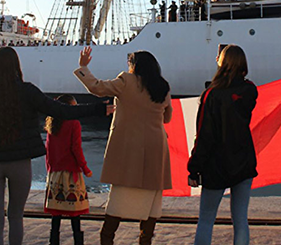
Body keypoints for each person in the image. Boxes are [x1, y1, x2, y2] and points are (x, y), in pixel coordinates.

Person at [0, 47, 111, 245]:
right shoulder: (27, 91)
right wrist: (98, 109)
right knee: (15, 217)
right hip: (19, 164)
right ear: (16, 66)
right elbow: (60, 110)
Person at [74, 47, 173, 245]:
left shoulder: (125, 81)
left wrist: (83, 67)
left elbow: (97, 87)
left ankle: (107, 240)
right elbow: (167, 117)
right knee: (151, 204)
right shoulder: (163, 86)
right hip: (155, 147)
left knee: (118, 200)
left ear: (134, 66)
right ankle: (145, 241)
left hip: (128, 147)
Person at [188, 45, 258, 245]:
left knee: (207, 218)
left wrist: (194, 168)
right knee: (240, 219)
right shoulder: (250, 90)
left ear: (222, 62)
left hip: (216, 164)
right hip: (243, 160)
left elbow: (204, 135)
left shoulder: (212, 95)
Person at [44, 94, 93, 245]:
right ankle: (78, 241)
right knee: (74, 212)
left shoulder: (52, 124)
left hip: (55, 173)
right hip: (71, 173)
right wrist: (85, 168)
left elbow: (48, 149)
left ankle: (54, 241)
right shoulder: (74, 123)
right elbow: (76, 149)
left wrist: (50, 169)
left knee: (56, 213)